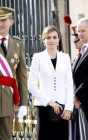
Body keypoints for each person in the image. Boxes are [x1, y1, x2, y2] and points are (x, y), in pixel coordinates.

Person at [28, 25, 74, 140]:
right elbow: (31, 85)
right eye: (48, 38)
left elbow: (69, 84)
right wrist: (50, 102)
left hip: (63, 108)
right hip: (44, 106)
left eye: (54, 37)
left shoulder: (65, 57)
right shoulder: (37, 57)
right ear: (44, 40)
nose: (51, 40)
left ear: (58, 39)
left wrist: (69, 108)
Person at [0, 7, 28, 140]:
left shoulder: (18, 44)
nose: (1, 23)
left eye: (4, 20)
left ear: (11, 22)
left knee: (5, 137)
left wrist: (23, 103)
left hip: (7, 101)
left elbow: (22, 77)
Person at [73, 18, 88, 140]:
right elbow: (74, 76)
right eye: (79, 31)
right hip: (81, 102)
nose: (80, 34)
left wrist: (76, 94)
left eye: (83, 30)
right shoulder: (83, 50)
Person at [70, 26, 84, 140]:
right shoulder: (77, 56)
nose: (74, 41)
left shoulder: (85, 55)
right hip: (74, 99)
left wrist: (76, 95)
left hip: (81, 98)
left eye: (77, 39)